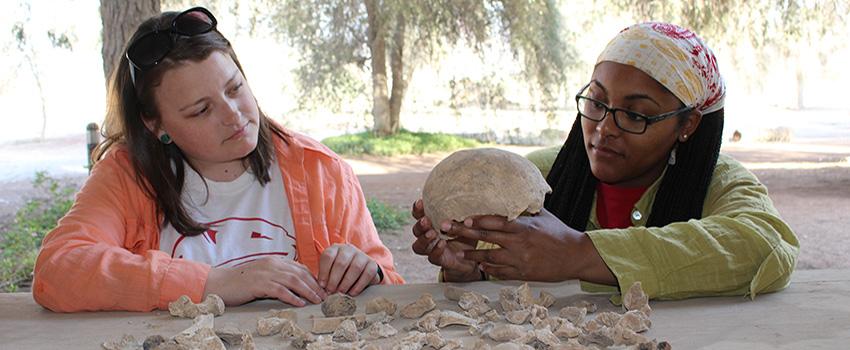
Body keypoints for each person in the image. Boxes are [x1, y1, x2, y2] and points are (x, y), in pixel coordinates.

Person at [33, 7, 402, 313]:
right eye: (201, 110)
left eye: (235, 88)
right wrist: (213, 282)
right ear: (157, 125)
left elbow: (390, 284)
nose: (234, 115)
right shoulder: (127, 175)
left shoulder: (322, 171)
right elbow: (57, 270)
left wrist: (366, 273)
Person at [411, 22, 799, 300]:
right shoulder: (532, 179)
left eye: (635, 114)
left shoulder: (721, 182)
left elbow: (765, 247)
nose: (604, 128)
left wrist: (578, 252)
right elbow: (491, 278)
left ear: (687, 125)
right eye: (596, 102)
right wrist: (468, 270)